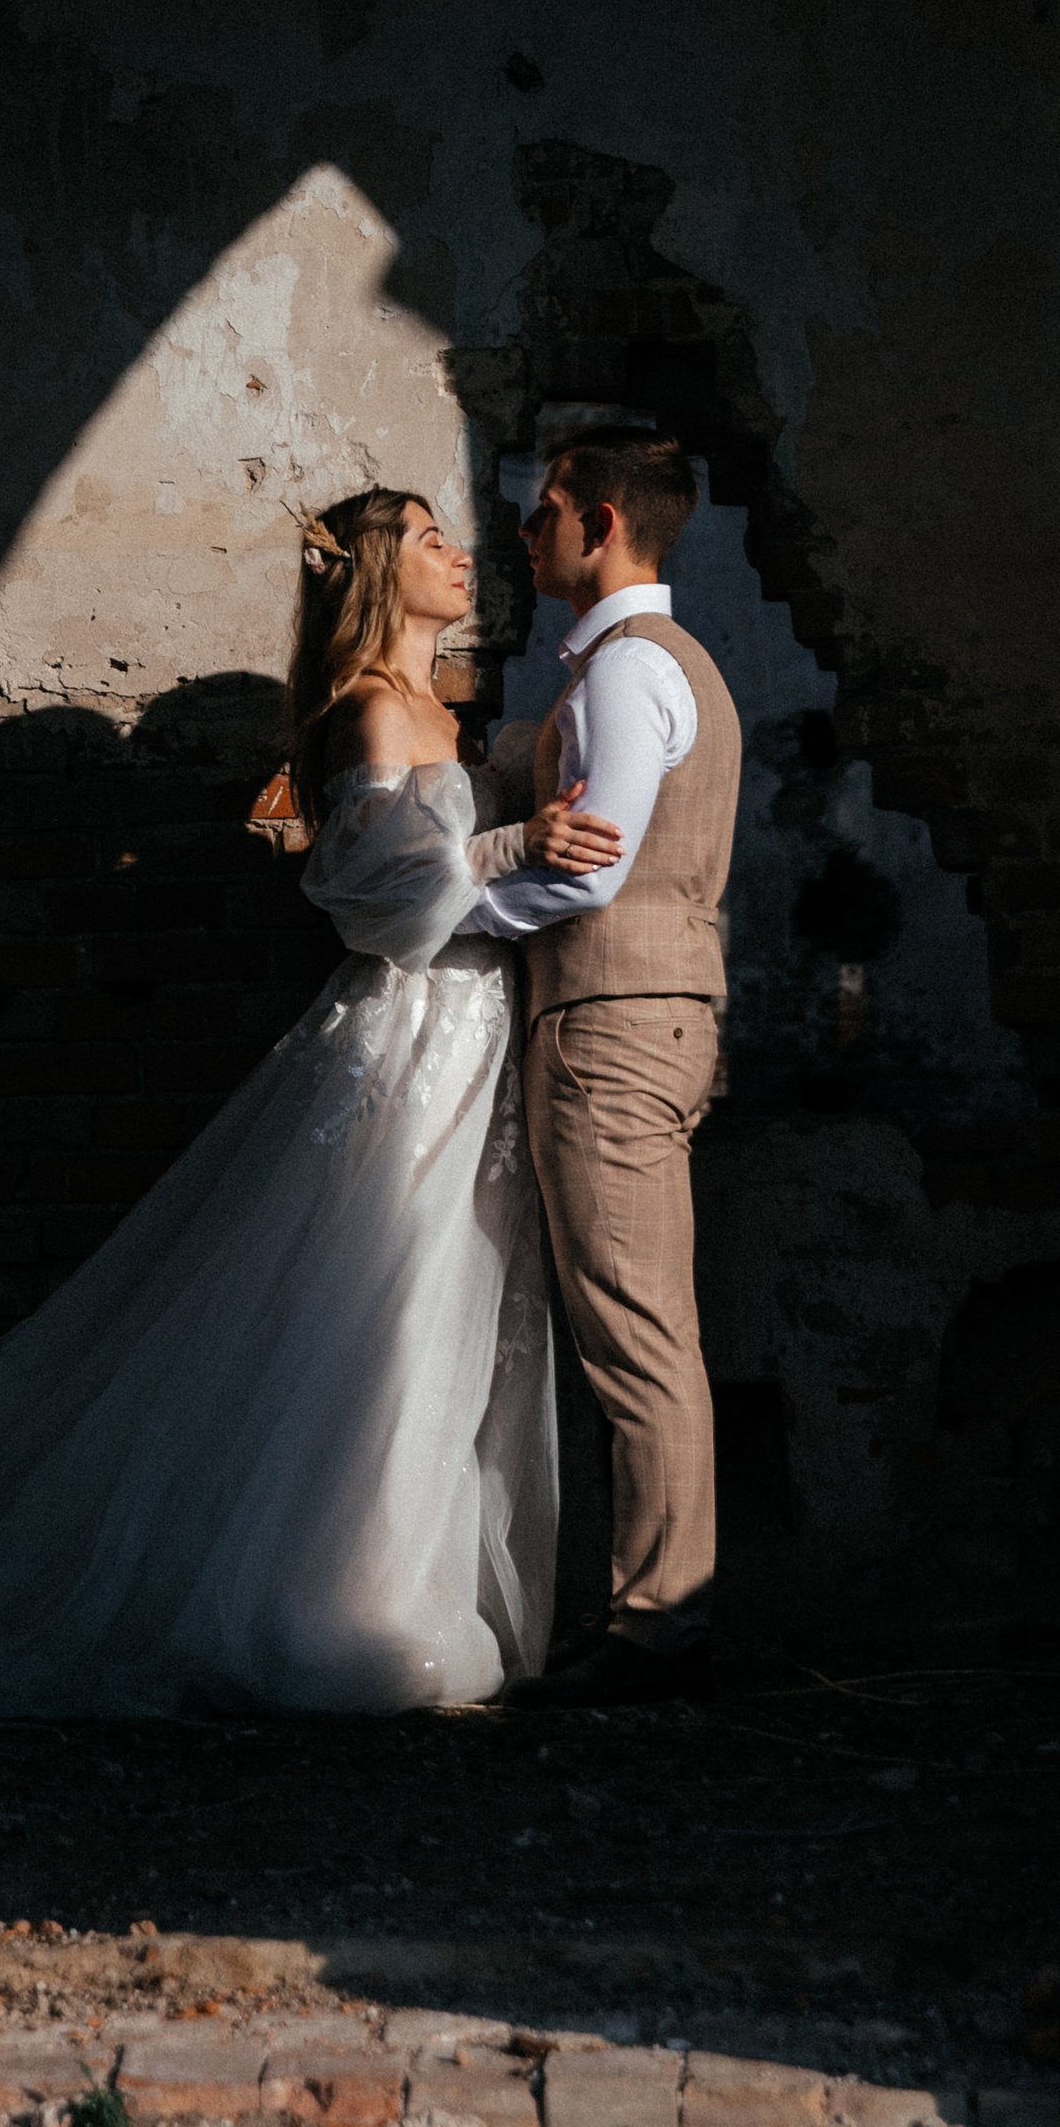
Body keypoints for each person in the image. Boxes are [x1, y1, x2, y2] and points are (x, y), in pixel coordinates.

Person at [0, 488, 621, 1718]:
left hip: (478, 1032)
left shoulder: (443, 712)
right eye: (430, 538)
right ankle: (331, 1599)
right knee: (377, 1292)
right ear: (378, 569)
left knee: (447, 1298)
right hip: (416, 1028)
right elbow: (374, 894)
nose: (460, 555)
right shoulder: (373, 710)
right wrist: (512, 844)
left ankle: (397, 1577)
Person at [479, 433, 739, 1710]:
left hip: (615, 1023)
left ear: (603, 525)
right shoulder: (628, 666)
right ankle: (644, 1618)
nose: (529, 538)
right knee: (634, 1327)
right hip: (634, 1017)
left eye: (546, 517)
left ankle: (656, 1635)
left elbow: (587, 868)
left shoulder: (632, 673)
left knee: (637, 1333)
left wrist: (440, 912)